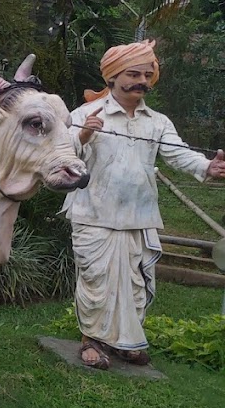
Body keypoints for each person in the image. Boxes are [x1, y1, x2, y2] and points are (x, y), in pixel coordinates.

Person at [64, 40, 225, 369]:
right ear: (112, 77)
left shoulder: (157, 122)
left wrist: (207, 166)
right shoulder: (84, 115)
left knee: (136, 283)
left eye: (147, 75)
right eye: (133, 74)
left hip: (139, 216)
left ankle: (125, 343)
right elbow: (60, 157)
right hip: (93, 214)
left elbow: (177, 153)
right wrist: (81, 137)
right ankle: (91, 342)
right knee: (96, 281)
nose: (142, 81)